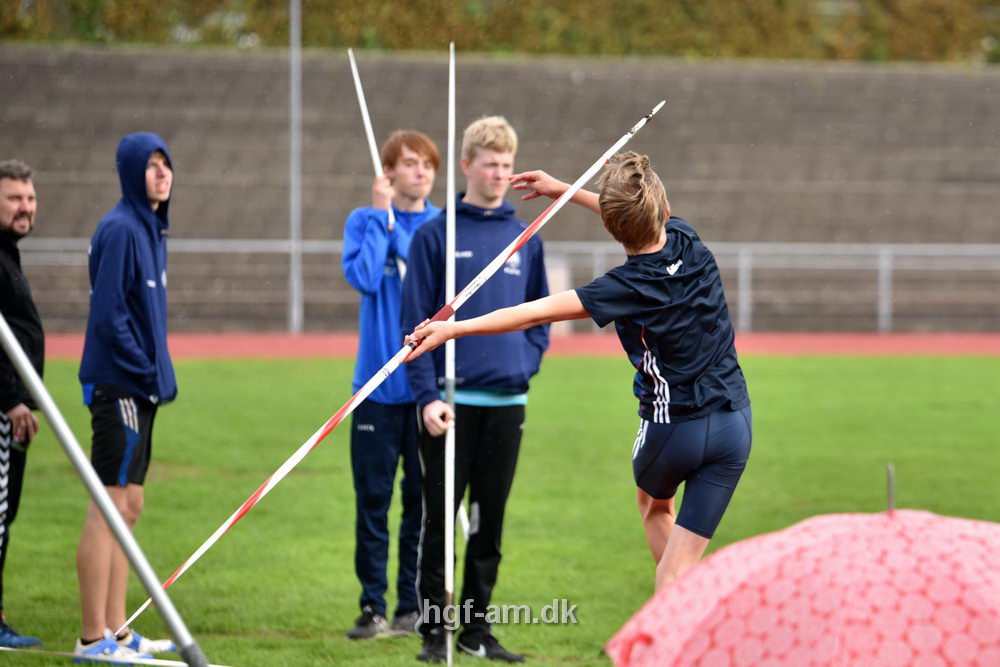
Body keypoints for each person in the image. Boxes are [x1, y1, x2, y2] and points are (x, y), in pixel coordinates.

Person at [406, 152, 752, 593]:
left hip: (674, 430)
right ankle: (705, 617)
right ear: (665, 211)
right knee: (682, 556)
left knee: (659, 525)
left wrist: (454, 328)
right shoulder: (687, 238)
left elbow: (534, 313)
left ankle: (676, 627)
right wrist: (562, 190)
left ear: (611, 228)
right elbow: (637, 212)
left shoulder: (624, 286)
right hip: (735, 425)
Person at [402, 116, 549, 663]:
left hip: (508, 404)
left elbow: (540, 315)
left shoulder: (525, 237)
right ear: (467, 165)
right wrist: (427, 396)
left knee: (489, 524)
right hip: (450, 405)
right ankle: (434, 632)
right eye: (490, 164)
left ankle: (476, 630)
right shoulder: (435, 235)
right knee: (440, 523)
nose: (499, 174)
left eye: (507, 165)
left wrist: (525, 363)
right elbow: (415, 325)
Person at [74, 133, 179, 662]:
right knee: (109, 507)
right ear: (131, 172)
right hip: (120, 386)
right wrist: (145, 372)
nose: (162, 173)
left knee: (129, 506)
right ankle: (91, 638)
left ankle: (117, 630)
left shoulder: (150, 230)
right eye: (151, 165)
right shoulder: (119, 229)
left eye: (166, 165)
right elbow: (109, 317)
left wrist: (157, 376)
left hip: (142, 388)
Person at [341, 130, 441, 639]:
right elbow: (362, 278)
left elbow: (440, 288)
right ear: (389, 172)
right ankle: (372, 606)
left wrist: (398, 233)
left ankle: (410, 605)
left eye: (428, 164)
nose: (420, 171)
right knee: (373, 502)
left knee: (420, 505)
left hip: (425, 390)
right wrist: (381, 220)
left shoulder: (442, 226)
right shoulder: (363, 220)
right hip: (374, 390)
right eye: (410, 163)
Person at [0, 159, 43, 648]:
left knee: (5, 514)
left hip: (13, 409)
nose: (25, 207)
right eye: (14, 198)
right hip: (4, 408)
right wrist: (12, 399)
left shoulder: (9, 254)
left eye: (29, 199)